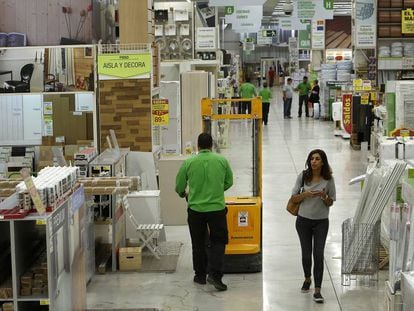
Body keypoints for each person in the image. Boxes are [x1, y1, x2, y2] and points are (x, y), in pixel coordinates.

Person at [175, 133, 233, 291]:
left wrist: (184, 194)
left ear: (198, 146)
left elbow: (179, 186)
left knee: (198, 242)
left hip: (195, 210)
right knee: (219, 241)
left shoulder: (189, 162)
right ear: (211, 145)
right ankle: (215, 274)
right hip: (217, 209)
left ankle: (200, 275)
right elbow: (229, 181)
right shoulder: (221, 160)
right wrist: (216, 191)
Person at [289, 149, 336, 304]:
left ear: (323, 162)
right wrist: (306, 194)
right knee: (306, 254)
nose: (314, 161)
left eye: (317, 159)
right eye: (311, 159)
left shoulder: (329, 179)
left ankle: (317, 290)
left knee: (318, 254)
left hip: (321, 221)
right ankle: (307, 278)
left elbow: (331, 201)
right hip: (303, 221)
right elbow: (294, 198)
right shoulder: (303, 176)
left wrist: (324, 196)